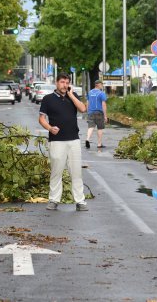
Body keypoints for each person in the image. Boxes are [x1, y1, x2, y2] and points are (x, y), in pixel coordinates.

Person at [39, 73, 88, 211]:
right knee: (56, 171)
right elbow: (41, 118)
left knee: (76, 172)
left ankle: (80, 201)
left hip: (74, 140)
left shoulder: (73, 97)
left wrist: (71, 95)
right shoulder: (47, 99)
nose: (64, 85)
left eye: (67, 83)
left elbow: (83, 109)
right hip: (56, 141)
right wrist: (49, 128)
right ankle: (54, 200)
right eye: (62, 82)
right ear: (56, 83)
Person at [85, 79, 108, 149]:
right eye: (101, 84)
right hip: (99, 113)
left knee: (91, 127)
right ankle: (99, 144)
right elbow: (103, 104)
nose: (102, 86)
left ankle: (87, 139)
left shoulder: (90, 92)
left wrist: (87, 111)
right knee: (100, 128)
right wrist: (105, 115)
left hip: (91, 112)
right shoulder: (101, 93)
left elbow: (87, 102)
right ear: (98, 85)